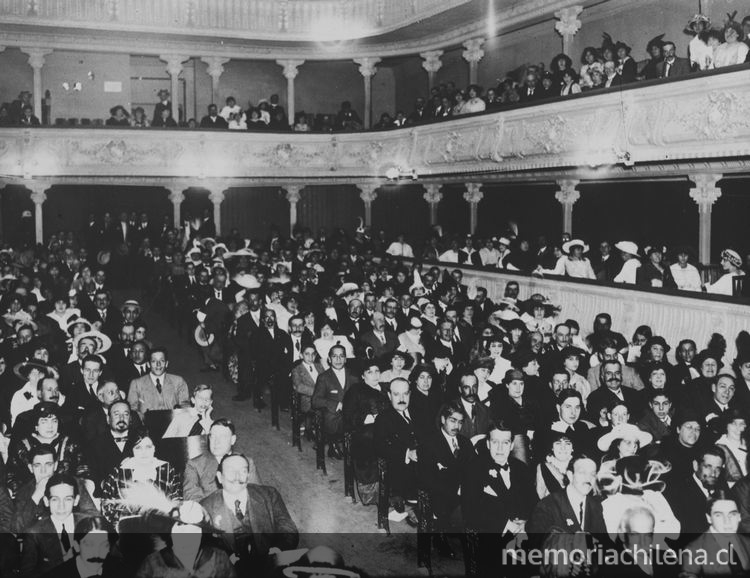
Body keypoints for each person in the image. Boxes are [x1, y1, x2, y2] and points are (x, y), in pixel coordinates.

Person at [200, 454, 299, 573]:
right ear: (220, 477)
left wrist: (276, 552)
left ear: (248, 475)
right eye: (231, 471)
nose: (237, 477)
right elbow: (205, 548)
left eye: (243, 471)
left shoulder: (269, 495)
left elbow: (288, 529)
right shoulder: (206, 507)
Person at [462, 421, 537, 574]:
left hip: (521, 533)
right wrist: (506, 524)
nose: (500, 448)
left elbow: (534, 503)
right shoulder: (473, 468)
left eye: (505, 442)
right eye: (495, 442)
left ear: (511, 445)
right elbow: (470, 511)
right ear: (488, 444)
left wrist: (526, 523)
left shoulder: (521, 468)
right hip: (491, 533)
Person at [100, 428, 182, 525]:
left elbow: (178, 500)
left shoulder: (168, 469)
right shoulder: (119, 472)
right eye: (138, 448)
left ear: (154, 448)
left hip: (162, 526)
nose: (144, 452)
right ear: (132, 450)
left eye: (148, 447)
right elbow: (106, 506)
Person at [19, 473, 89, 578]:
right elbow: (27, 573)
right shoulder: (35, 533)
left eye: (68, 499)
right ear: (46, 501)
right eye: (55, 499)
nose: (61, 506)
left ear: (76, 500)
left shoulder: (89, 525)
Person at [342, 361, 389, 505]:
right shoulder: (356, 390)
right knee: (370, 442)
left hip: (388, 429)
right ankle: (371, 490)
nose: (375, 375)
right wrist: (367, 418)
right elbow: (348, 415)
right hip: (365, 431)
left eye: (377, 371)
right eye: (370, 372)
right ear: (363, 376)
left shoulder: (386, 388)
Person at [374, 377, 420, 519]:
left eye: (405, 394)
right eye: (396, 394)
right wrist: (407, 453)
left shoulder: (418, 412)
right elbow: (380, 446)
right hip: (401, 469)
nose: (401, 398)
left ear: (410, 394)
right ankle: (413, 505)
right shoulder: (383, 419)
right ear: (389, 396)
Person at [681, 491, 750, 576]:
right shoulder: (692, 551)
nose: (727, 521)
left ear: (739, 516)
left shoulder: (747, 542)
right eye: (719, 515)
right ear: (709, 518)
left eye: (732, 514)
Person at [40, 515, 125, 578]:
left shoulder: (120, 570)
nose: (97, 553)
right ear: (77, 546)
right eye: (89, 545)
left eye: (103, 545)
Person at [312, 344, 358, 459]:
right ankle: (333, 442)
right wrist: (335, 404)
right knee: (344, 421)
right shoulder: (324, 377)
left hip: (351, 413)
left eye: (341, 356)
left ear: (346, 359)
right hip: (334, 415)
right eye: (334, 356)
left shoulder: (353, 376)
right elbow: (315, 400)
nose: (338, 360)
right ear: (329, 359)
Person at [126, 347, 189, 420]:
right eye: (154, 361)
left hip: (173, 425)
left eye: (162, 361)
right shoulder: (136, 383)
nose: (158, 364)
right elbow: (132, 410)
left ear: (166, 363)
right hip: (147, 427)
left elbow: (185, 405)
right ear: (148, 364)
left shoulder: (178, 381)